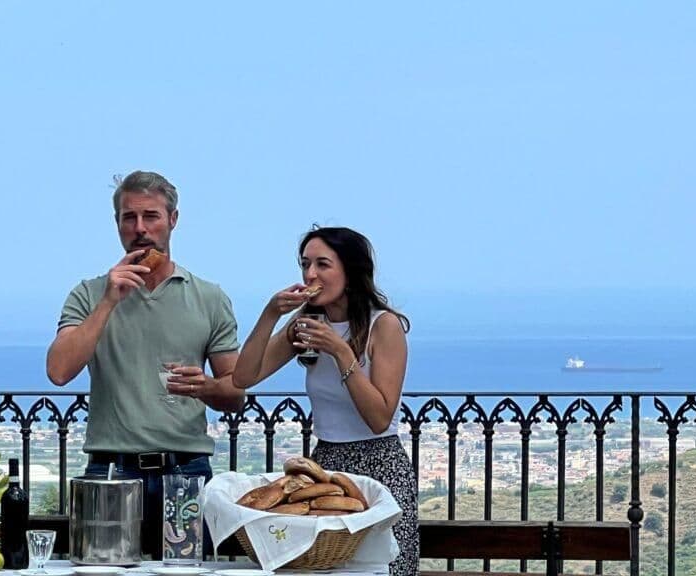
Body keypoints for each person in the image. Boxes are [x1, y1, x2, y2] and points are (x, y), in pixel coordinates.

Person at [46, 170, 244, 558]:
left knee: (186, 573)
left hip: (185, 473)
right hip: (109, 471)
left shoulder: (208, 297)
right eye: (128, 217)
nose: (140, 228)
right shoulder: (89, 294)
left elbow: (235, 393)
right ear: (117, 223)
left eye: (151, 216)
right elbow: (58, 371)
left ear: (173, 219)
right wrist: (108, 301)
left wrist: (204, 386)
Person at [232, 226, 418, 576]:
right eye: (305, 264)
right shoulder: (307, 323)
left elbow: (379, 417)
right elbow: (243, 377)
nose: (310, 275)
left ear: (350, 273)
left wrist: (339, 351)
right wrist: (271, 314)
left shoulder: (384, 326)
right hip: (326, 464)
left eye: (322, 264)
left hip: (379, 463)